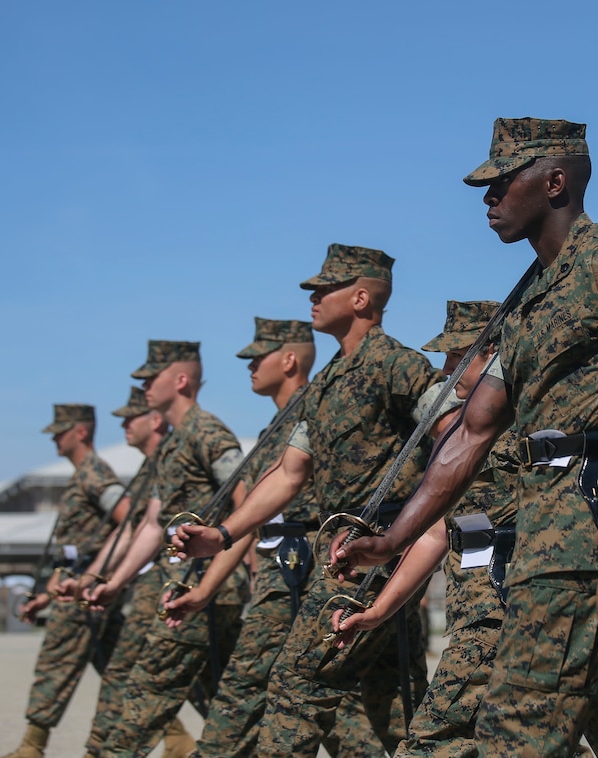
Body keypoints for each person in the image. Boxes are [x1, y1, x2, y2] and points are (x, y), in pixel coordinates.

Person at [339, 117, 598, 757]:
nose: (488, 198)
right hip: (544, 535)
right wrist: (392, 538)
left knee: (515, 732)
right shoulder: (525, 301)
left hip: (592, 526)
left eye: (502, 182)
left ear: (555, 182)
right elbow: (473, 433)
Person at [171, 244, 449, 757]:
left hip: (374, 553)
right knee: (393, 706)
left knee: (297, 686)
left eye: (327, 288)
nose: (314, 297)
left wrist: (414, 528)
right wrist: (225, 533)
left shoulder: (397, 365)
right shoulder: (326, 383)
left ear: (362, 298)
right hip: (345, 554)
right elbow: (289, 472)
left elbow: (457, 430)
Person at [334, 299, 522, 757]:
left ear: (494, 354)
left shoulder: (522, 431)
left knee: (431, 743)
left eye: (458, 356)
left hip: (511, 612)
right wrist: (379, 610)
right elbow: (438, 532)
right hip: (473, 617)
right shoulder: (457, 437)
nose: (446, 368)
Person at [161, 317, 332, 757]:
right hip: (278, 575)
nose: (250, 366)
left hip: (308, 573)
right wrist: (203, 591)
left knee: (333, 716)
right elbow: (247, 525)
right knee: (253, 699)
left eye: (259, 357)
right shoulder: (272, 430)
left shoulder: (320, 413)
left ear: (289, 360)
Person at [87, 340, 248, 758]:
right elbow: (151, 524)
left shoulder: (209, 433)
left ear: (180, 380)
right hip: (185, 590)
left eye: (149, 378)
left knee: (143, 698)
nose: (142, 387)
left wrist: (213, 586)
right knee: (228, 704)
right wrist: (115, 581)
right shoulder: (174, 444)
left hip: (204, 593)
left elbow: (247, 513)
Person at [67, 387, 196, 758]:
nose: (123, 424)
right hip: (157, 580)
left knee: (138, 673)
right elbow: (136, 530)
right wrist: (98, 577)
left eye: (130, 417)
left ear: (154, 421)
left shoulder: (181, 452)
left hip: (179, 578)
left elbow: (141, 527)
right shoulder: (150, 467)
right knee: (139, 672)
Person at [1, 404, 126, 758]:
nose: (54, 437)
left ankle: (31, 747)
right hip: (78, 587)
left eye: (61, 430)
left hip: (85, 592)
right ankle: (176, 735)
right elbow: (72, 548)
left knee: (56, 660)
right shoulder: (81, 474)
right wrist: (45, 596)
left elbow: (127, 517)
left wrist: (99, 574)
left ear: (81, 432)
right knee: (119, 664)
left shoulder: (94, 473)